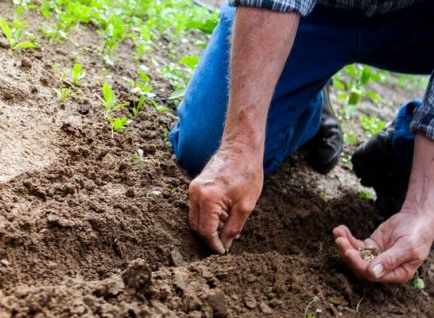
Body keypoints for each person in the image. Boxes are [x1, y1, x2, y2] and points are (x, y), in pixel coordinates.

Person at [169, 0, 434, 284]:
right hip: (317, 11)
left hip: (417, 23)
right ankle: (307, 105)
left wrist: (422, 207)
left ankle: (404, 146)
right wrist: (240, 145)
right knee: (207, 146)